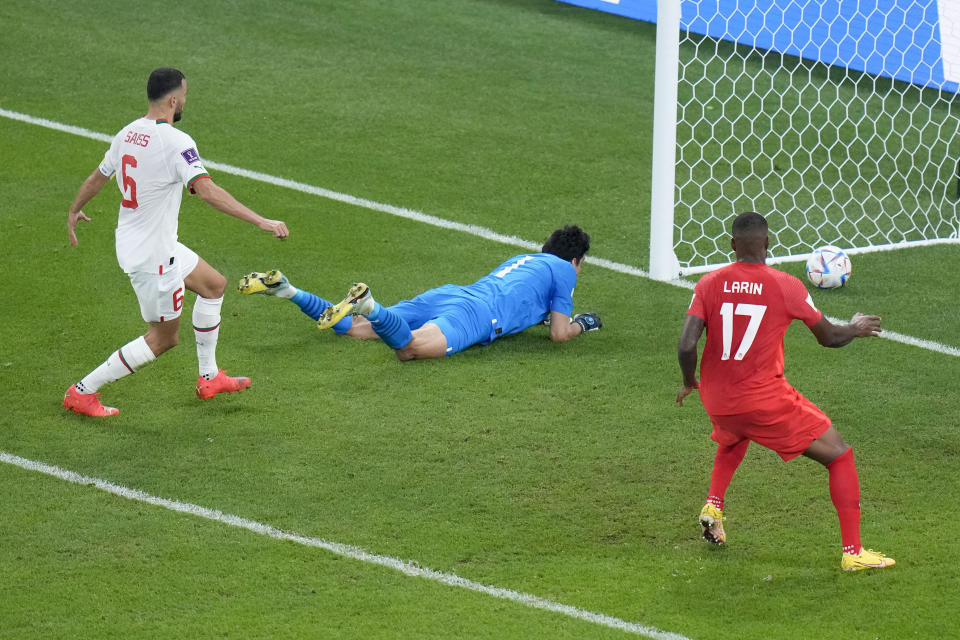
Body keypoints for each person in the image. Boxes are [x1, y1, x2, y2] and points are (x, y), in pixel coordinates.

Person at [63, 67, 289, 417]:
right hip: (154, 257)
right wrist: (261, 220)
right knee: (163, 339)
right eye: (184, 94)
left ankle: (209, 377)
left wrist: (75, 208)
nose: (185, 100)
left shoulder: (127, 133)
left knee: (214, 285)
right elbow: (208, 191)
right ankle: (82, 391)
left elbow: (99, 175)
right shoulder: (176, 142)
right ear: (172, 99)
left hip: (145, 244)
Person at [676, 211, 895, 571]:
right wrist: (854, 327)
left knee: (734, 435)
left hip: (718, 399)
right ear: (768, 243)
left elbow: (686, 345)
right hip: (762, 400)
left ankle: (713, 506)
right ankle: (854, 554)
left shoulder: (709, 282)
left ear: (732, 245)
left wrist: (689, 382)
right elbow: (829, 338)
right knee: (839, 455)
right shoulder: (785, 285)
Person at [237, 225, 601, 360]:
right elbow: (558, 333)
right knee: (408, 349)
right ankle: (371, 306)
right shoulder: (563, 272)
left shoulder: (526, 260)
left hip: (452, 295)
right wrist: (582, 324)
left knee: (352, 329)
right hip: (475, 315)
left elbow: (526, 302)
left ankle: (288, 290)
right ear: (575, 260)